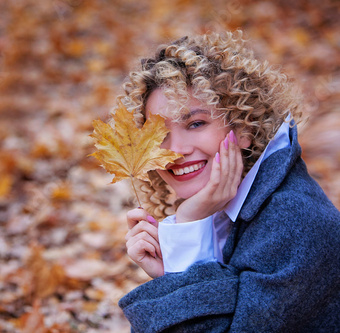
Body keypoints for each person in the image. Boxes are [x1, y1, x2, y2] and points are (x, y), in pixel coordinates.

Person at [116, 31, 340, 332]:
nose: (175, 150)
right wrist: (173, 272)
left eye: (195, 123)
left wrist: (187, 231)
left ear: (244, 128)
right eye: (159, 134)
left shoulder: (293, 220)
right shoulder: (230, 210)